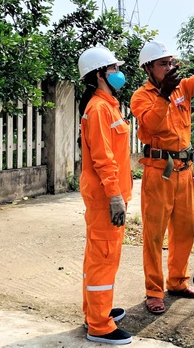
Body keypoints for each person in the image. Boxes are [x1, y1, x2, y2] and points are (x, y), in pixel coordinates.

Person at [130, 41, 194, 315]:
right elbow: (152, 124)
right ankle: (153, 291)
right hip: (159, 173)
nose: (170, 68)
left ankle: (179, 281)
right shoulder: (141, 96)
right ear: (148, 68)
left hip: (185, 170)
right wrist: (163, 95)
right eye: (163, 64)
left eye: (172, 63)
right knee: (153, 235)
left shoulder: (182, 88)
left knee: (185, 230)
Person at [77, 45, 133, 345]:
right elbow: (103, 158)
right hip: (104, 197)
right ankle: (99, 325)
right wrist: (114, 195)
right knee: (104, 258)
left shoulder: (108, 105)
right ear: (99, 74)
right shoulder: (99, 109)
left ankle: (95, 310)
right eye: (113, 69)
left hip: (107, 195)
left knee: (98, 256)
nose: (117, 73)